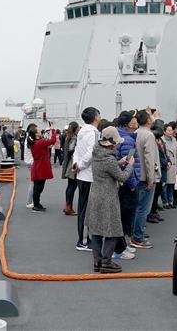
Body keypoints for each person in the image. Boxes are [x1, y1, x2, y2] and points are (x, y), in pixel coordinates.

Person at [86, 127, 134, 273]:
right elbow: (122, 177)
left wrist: (119, 163)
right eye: (116, 142)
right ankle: (106, 262)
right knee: (113, 230)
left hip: (95, 195)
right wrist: (129, 166)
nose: (118, 145)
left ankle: (97, 262)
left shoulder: (97, 154)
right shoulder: (109, 159)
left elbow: (107, 169)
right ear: (111, 143)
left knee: (97, 230)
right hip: (108, 198)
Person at [73, 107, 100, 251]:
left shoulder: (82, 130)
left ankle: (84, 239)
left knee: (83, 208)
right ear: (96, 116)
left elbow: (77, 150)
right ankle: (83, 241)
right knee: (86, 210)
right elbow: (92, 151)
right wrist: (82, 165)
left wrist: (76, 164)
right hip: (89, 175)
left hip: (81, 174)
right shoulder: (94, 132)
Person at [131, 109, 157, 249]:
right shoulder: (149, 135)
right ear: (147, 120)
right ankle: (138, 237)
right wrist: (151, 179)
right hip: (145, 177)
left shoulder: (135, 133)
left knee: (136, 207)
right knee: (143, 209)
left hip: (135, 175)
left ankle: (135, 233)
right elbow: (149, 159)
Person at [115, 111, 139, 259]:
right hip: (127, 184)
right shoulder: (127, 140)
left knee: (124, 215)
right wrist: (131, 183)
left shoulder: (124, 137)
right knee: (125, 216)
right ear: (129, 123)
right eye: (134, 119)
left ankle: (122, 245)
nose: (136, 121)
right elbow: (127, 164)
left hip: (124, 182)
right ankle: (119, 249)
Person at [29, 124, 56, 212]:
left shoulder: (35, 142)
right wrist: (52, 129)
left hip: (38, 165)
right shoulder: (40, 142)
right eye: (39, 131)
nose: (41, 132)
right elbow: (53, 140)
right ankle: (36, 205)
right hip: (41, 166)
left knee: (38, 186)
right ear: (36, 134)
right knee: (39, 187)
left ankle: (37, 204)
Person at [60, 122, 80, 216]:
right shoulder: (74, 138)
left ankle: (67, 206)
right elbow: (71, 149)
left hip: (69, 163)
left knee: (70, 186)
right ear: (76, 129)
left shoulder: (68, 136)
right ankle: (69, 207)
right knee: (72, 186)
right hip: (73, 163)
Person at [161, 123, 177, 209]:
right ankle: (165, 202)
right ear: (164, 131)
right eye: (168, 130)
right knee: (165, 185)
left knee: (171, 185)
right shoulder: (161, 140)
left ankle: (170, 201)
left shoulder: (174, 140)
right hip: (166, 164)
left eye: (171, 130)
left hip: (173, 164)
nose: (170, 132)